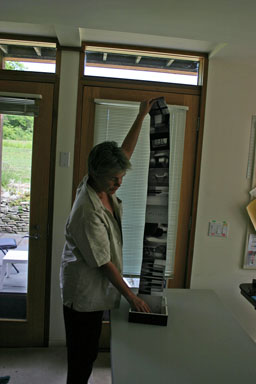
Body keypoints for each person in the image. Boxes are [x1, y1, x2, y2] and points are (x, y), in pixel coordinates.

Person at [60, 98, 154, 384]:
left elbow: (124, 153)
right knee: (82, 357)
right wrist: (132, 296)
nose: (119, 183)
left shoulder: (100, 182)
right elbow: (104, 263)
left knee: (87, 351)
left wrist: (141, 116)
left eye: (121, 176)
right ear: (98, 174)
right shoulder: (87, 211)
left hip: (95, 288)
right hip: (83, 294)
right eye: (115, 179)